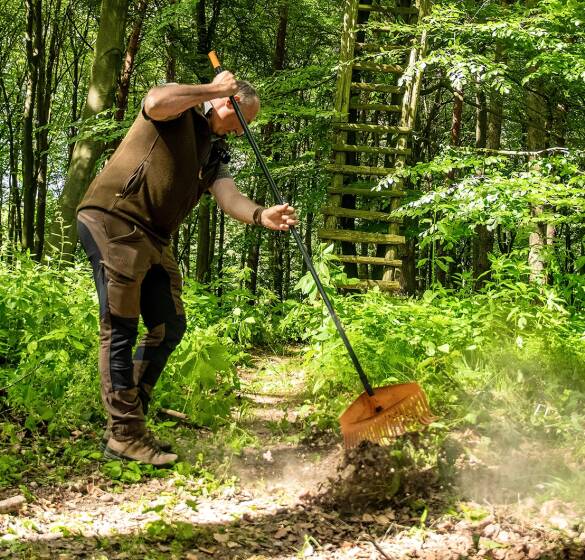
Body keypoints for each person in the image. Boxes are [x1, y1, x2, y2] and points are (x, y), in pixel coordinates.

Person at [76, 71, 298, 466]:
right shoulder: (179, 112)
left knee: (168, 325)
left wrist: (262, 215)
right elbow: (155, 101)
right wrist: (213, 88)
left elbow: (229, 197)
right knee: (121, 328)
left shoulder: (212, 150)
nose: (242, 133)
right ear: (227, 103)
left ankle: (132, 424)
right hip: (115, 221)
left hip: (153, 239)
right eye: (243, 121)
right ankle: (123, 435)